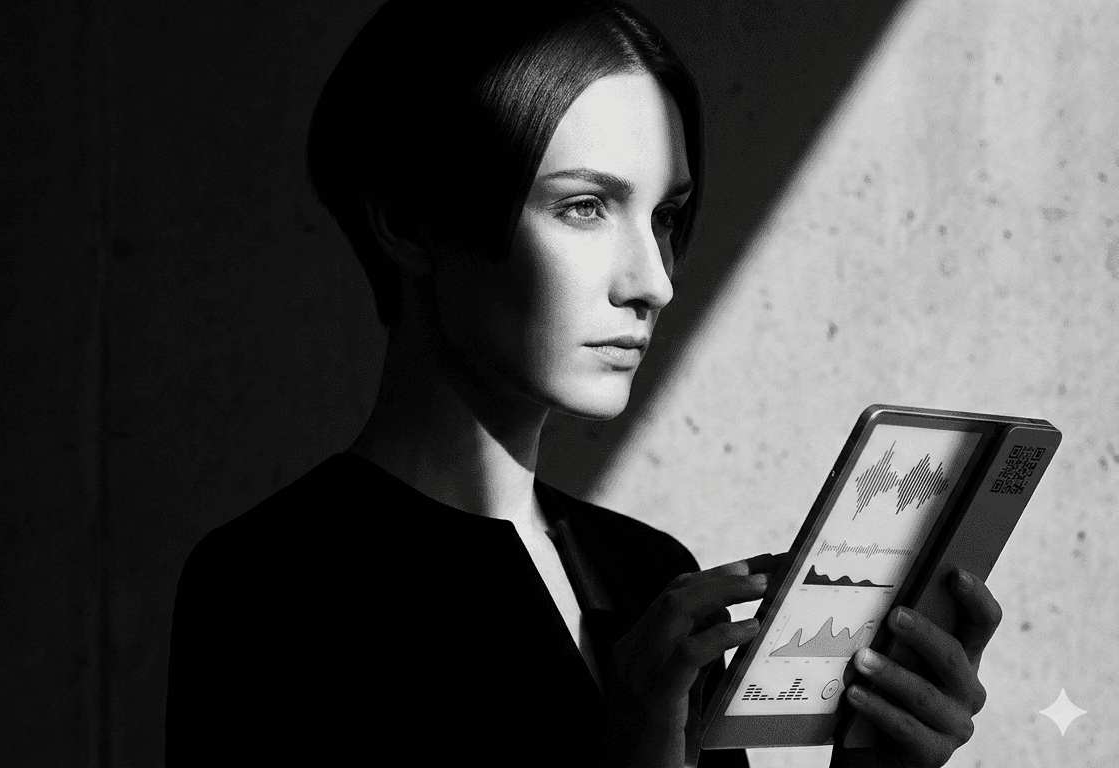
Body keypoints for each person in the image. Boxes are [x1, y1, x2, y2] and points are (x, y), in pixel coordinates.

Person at [165, 2, 1002, 766]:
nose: (654, 281)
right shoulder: (273, 586)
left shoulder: (649, 579)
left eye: (665, 216)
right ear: (411, 222)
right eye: (584, 207)